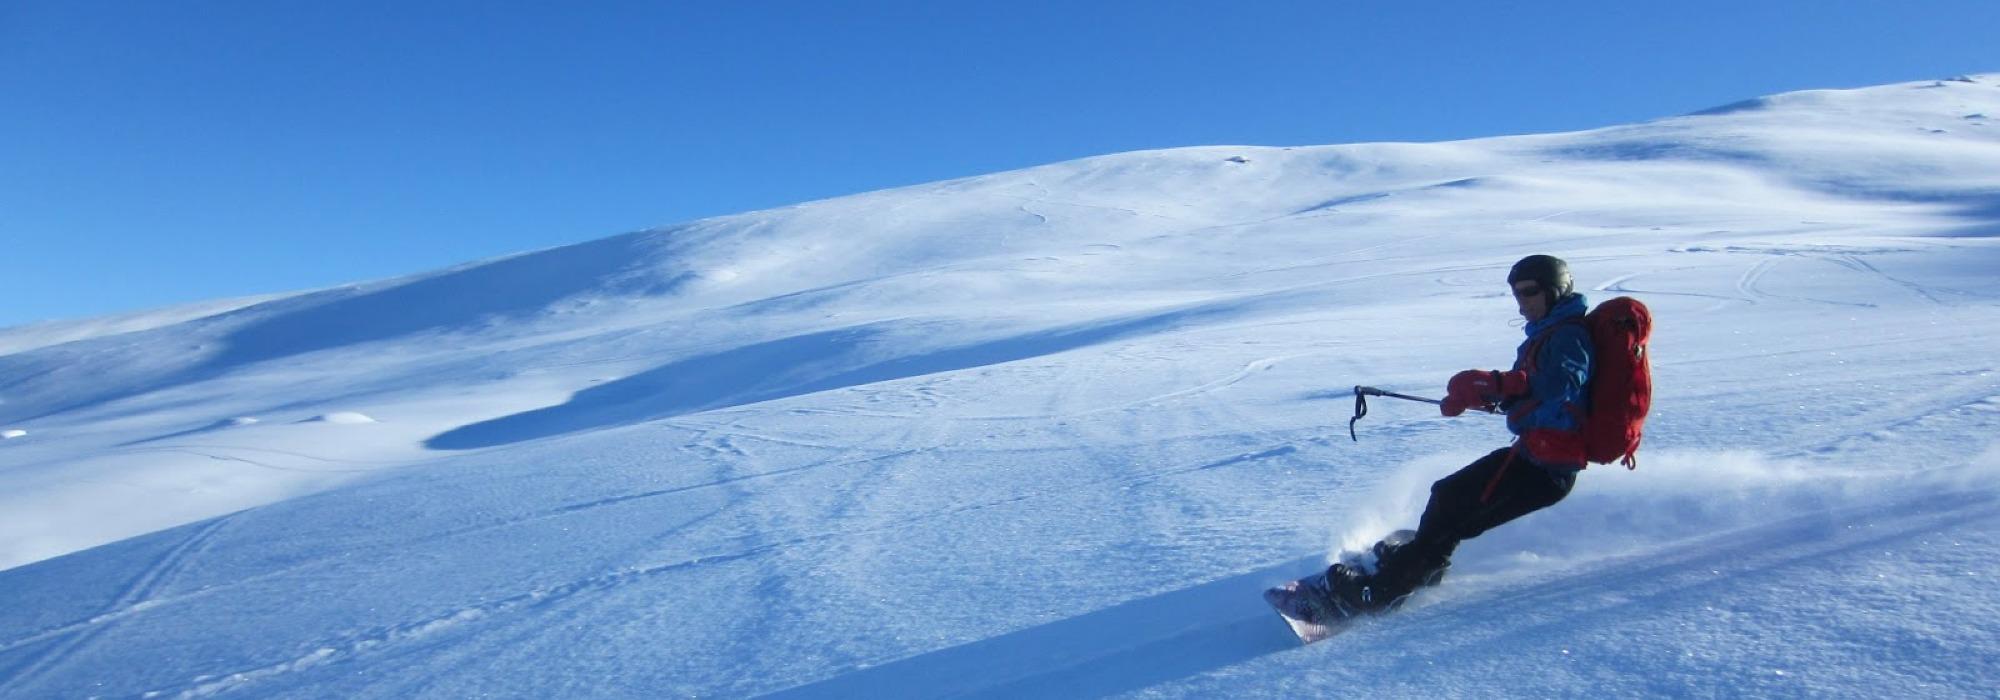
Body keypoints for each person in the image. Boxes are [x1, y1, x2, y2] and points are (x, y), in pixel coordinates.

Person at [1320, 254, 1595, 614]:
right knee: (1451, 503)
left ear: (1557, 290)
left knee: (1451, 502)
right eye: (1517, 294)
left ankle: (1382, 592)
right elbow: (1536, 398)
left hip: (1547, 468)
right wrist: (1481, 398)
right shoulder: (1548, 334)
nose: (1522, 302)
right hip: (1535, 455)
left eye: (1530, 292)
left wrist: (1496, 383)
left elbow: (1561, 386)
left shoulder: (1569, 336)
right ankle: (1422, 562)